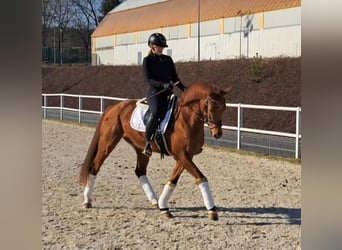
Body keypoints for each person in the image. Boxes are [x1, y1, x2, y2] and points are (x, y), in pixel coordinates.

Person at [142, 33, 187, 157]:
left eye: (162, 46)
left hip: (168, 93)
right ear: (152, 46)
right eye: (159, 46)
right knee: (156, 113)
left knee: (179, 112)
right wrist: (162, 84)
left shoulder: (168, 59)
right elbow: (149, 79)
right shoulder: (148, 61)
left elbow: (174, 78)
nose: (161, 48)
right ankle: (148, 142)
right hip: (154, 93)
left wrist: (184, 89)